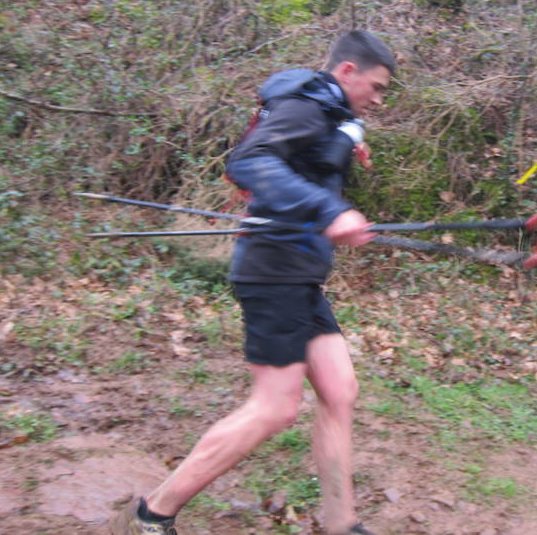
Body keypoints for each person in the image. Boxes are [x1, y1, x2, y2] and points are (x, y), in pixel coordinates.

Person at [110, 30, 395, 535]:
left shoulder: (327, 112)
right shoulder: (307, 107)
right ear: (347, 71)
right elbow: (247, 161)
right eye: (375, 86)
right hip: (274, 272)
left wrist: (345, 156)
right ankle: (149, 516)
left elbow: (297, 158)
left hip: (299, 274)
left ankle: (340, 523)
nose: (378, 98)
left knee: (339, 389)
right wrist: (331, 209)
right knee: (275, 407)